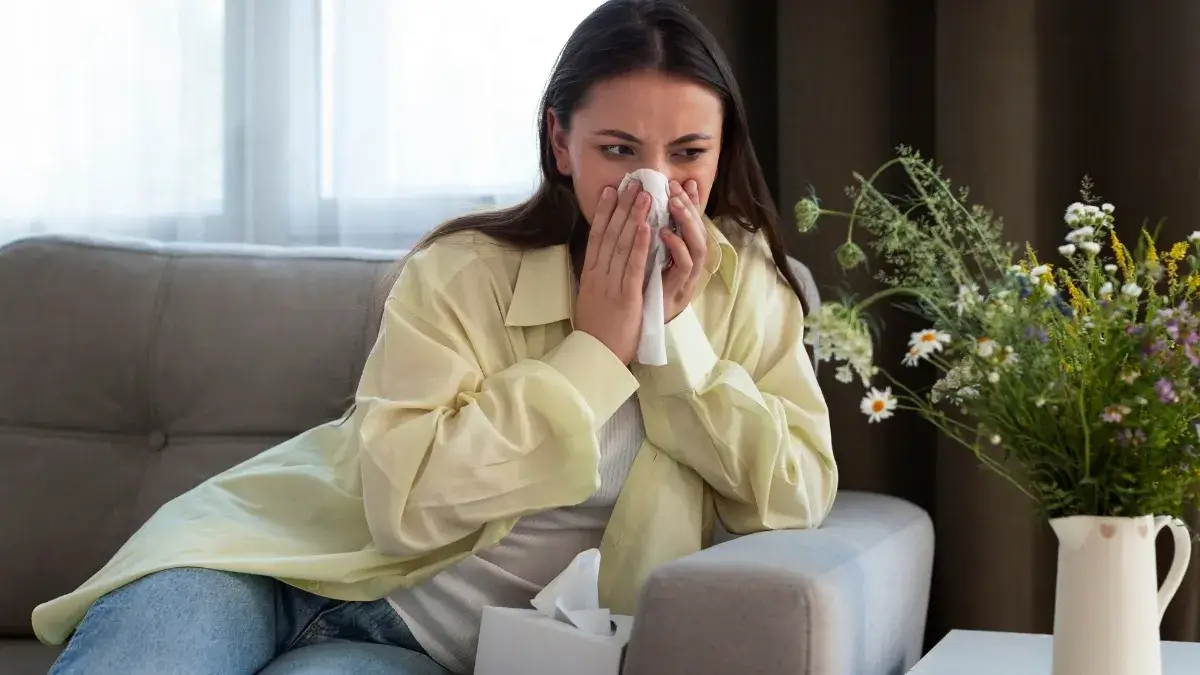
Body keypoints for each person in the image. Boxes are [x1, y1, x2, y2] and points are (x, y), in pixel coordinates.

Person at [36, 0, 837, 673]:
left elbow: (795, 495)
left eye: (688, 152)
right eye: (618, 150)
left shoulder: (748, 287)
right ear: (561, 143)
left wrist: (675, 337)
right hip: (264, 563)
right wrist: (592, 354)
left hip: (416, 641)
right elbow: (405, 508)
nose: (654, 183)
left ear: (723, 144)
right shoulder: (463, 271)